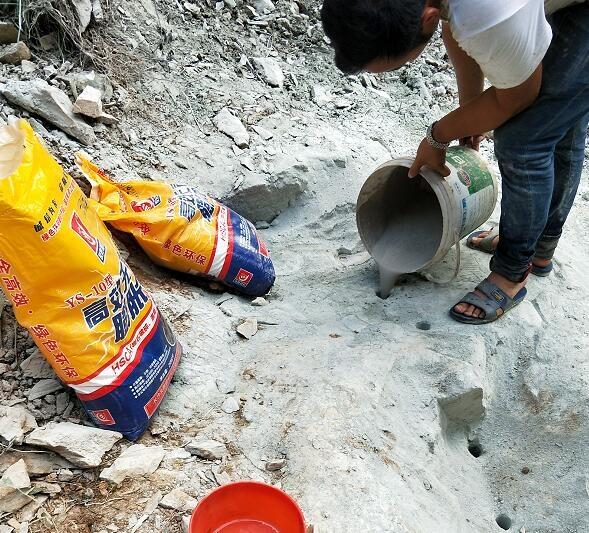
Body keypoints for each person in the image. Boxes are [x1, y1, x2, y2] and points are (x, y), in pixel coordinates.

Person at [321, 0, 589, 324]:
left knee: (525, 141)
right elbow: (456, 28)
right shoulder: (455, 10)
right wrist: (470, 113)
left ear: (426, 18)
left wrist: (437, 136)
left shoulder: (489, 12)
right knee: (559, 120)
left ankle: (512, 273)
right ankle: (537, 245)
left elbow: (518, 96)